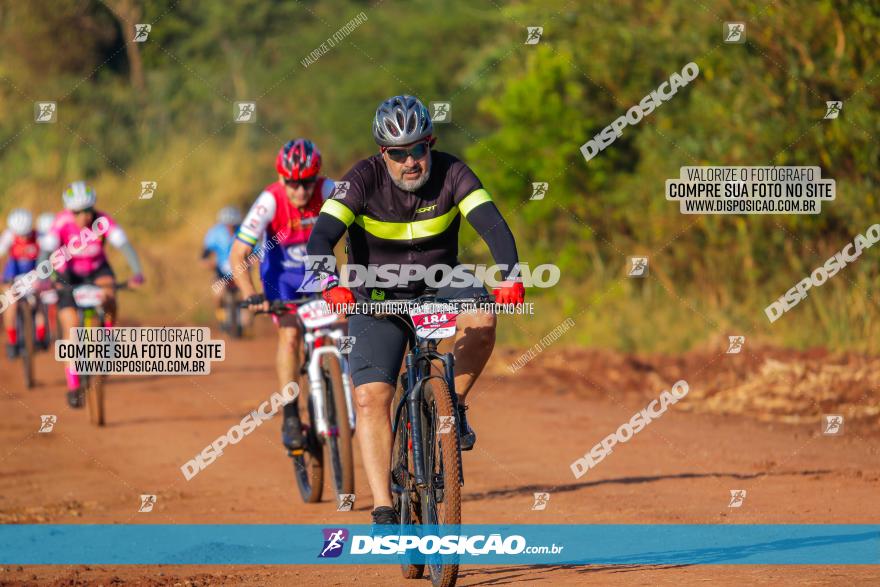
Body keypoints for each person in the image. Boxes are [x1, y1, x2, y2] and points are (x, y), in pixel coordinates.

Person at [306, 95, 525, 525]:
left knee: (482, 319)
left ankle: (453, 406)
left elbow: (493, 224)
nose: (410, 162)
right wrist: (329, 283)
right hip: (374, 298)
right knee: (371, 398)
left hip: (441, 284)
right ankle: (384, 504)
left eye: (418, 149)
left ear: (431, 144)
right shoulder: (360, 180)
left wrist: (511, 275)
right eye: (398, 153)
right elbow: (320, 238)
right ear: (382, 153)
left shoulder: (454, 173)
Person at [228, 139, 337, 451]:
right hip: (282, 281)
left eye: (306, 183)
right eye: (293, 183)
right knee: (289, 336)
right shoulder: (270, 200)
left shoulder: (329, 190)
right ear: (281, 179)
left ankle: (341, 395)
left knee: (345, 330)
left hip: (321, 274)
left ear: (317, 178)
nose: (301, 192)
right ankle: (290, 413)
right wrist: (251, 295)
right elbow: (238, 253)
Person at [41, 181, 145, 408]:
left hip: (98, 269)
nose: (83, 216)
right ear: (70, 211)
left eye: (88, 210)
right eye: (77, 212)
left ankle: (108, 339)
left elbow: (124, 246)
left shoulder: (104, 222)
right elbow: (45, 253)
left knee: (110, 292)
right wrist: (44, 277)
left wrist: (137, 272)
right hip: (68, 272)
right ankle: (73, 385)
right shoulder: (60, 223)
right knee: (70, 329)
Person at [0, 209, 46, 357]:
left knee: (39, 301)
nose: (24, 238)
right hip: (12, 273)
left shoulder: (38, 235)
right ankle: (12, 341)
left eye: (26, 234)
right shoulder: (8, 236)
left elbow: (47, 252)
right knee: (10, 302)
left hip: (33, 273)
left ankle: (40, 336)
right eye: (20, 235)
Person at [203, 206, 243, 324]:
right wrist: (207, 262)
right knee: (218, 293)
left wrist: (251, 261)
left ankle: (247, 324)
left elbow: (256, 251)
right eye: (227, 224)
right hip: (221, 271)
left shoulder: (245, 231)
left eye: (233, 225)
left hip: (242, 271)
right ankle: (221, 316)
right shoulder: (215, 233)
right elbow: (206, 253)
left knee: (248, 296)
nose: (230, 227)